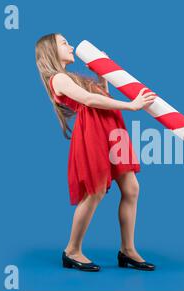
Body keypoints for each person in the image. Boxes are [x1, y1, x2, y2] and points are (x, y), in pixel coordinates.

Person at [35, 33, 156, 271]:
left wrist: (102, 73)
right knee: (95, 191)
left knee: (132, 189)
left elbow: (101, 94)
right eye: (64, 43)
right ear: (50, 50)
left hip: (112, 129)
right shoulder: (58, 79)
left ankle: (127, 250)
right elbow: (90, 101)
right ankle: (72, 250)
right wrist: (131, 105)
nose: (70, 46)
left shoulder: (73, 76)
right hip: (94, 133)